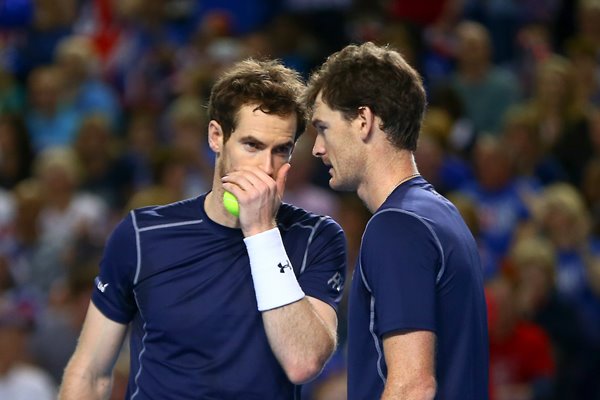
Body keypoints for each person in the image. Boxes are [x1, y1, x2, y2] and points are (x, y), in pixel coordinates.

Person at [59, 58, 347, 399]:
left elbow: (302, 361)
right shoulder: (142, 234)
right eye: (252, 146)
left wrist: (262, 231)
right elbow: (90, 371)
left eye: (280, 151)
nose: (266, 168)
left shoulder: (317, 236)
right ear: (216, 136)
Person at [304, 42, 489, 399]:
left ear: (363, 121)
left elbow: (412, 386)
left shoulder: (397, 227)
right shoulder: (439, 213)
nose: (317, 148)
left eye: (324, 128)